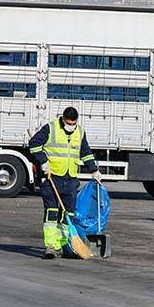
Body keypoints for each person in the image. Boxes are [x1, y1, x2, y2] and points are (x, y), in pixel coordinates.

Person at [28, 107, 101, 259]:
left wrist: (94, 170)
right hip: (52, 177)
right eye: (69, 122)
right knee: (52, 212)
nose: (71, 125)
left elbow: (85, 152)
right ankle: (50, 246)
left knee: (68, 214)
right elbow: (34, 144)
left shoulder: (79, 132)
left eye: (73, 123)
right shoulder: (51, 128)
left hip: (70, 180)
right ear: (63, 119)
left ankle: (62, 245)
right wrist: (43, 162)